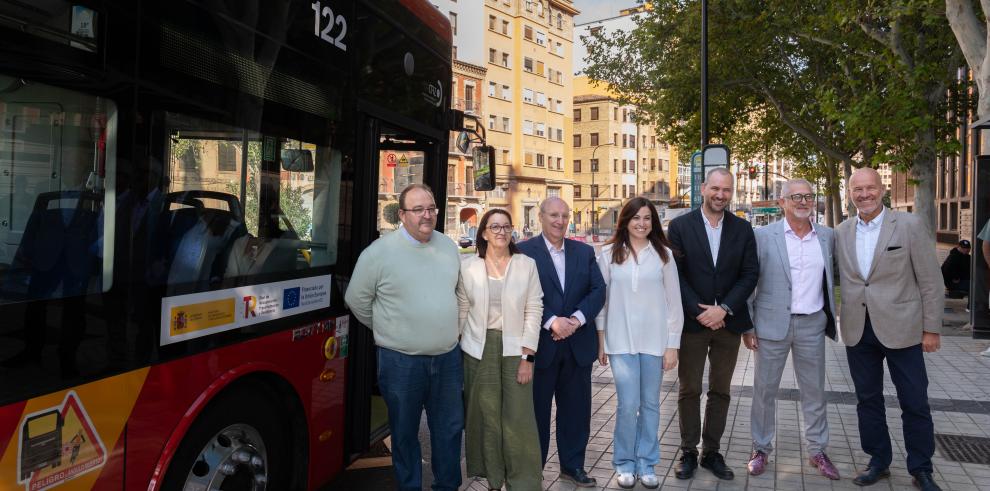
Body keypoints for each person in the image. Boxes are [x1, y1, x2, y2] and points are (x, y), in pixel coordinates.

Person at [344, 183, 463, 491]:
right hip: (400, 362)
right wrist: (387, 329)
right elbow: (356, 300)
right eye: (418, 209)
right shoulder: (378, 254)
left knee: (449, 430)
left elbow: (458, 294)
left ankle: (447, 487)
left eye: (431, 208)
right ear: (402, 215)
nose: (427, 215)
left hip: (447, 358)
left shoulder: (448, 246)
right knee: (405, 433)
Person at [834, 168, 943, 491]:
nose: (864, 194)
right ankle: (878, 461)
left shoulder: (908, 225)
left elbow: (930, 281)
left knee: (914, 400)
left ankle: (921, 467)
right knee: (868, 400)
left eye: (870, 188)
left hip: (904, 329)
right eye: (857, 189)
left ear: (882, 190)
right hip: (858, 330)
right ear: (849, 193)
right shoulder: (841, 231)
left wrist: (931, 329)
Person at [742, 179, 839, 480]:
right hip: (770, 325)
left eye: (808, 196)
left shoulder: (827, 237)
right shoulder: (763, 236)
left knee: (814, 392)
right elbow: (749, 281)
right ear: (782, 202)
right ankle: (760, 448)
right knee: (764, 391)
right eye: (795, 196)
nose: (803, 201)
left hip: (812, 323)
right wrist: (748, 326)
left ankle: (818, 450)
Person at [666, 167, 758, 481]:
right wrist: (699, 310)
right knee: (689, 389)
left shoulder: (743, 229)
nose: (721, 195)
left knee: (721, 390)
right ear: (704, 188)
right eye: (715, 188)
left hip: (728, 324)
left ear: (732, 193)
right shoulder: (679, 226)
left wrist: (725, 309)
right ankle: (689, 452)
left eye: (727, 190)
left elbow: (750, 274)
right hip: (693, 324)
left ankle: (712, 452)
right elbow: (675, 274)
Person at [517, 197, 605, 487]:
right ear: (540, 217)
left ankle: (572, 466)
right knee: (537, 414)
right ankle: (534, 469)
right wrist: (552, 321)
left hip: (577, 347)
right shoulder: (523, 252)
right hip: (541, 347)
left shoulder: (584, 251)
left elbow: (597, 290)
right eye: (554, 215)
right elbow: (519, 295)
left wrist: (576, 320)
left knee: (576, 412)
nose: (560, 220)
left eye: (565, 215)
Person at [594, 197, 682, 489]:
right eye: (636, 218)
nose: (642, 223)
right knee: (627, 404)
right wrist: (601, 340)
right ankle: (624, 463)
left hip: (654, 342)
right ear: (626, 221)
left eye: (647, 218)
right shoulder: (608, 254)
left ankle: (647, 462)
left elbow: (674, 304)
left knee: (651, 404)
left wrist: (672, 345)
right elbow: (602, 301)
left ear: (653, 222)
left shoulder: (664, 255)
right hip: (620, 341)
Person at [458, 209, 545, 490]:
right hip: (477, 350)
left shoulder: (526, 265)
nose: (501, 232)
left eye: (506, 227)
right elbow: (462, 309)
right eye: (494, 227)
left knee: (518, 417)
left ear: (512, 231)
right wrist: (451, 346)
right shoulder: (468, 267)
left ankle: (523, 481)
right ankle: (494, 479)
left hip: (514, 349)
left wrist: (527, 357)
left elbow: (534, 309)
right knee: (486, 416)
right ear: (482, 233)